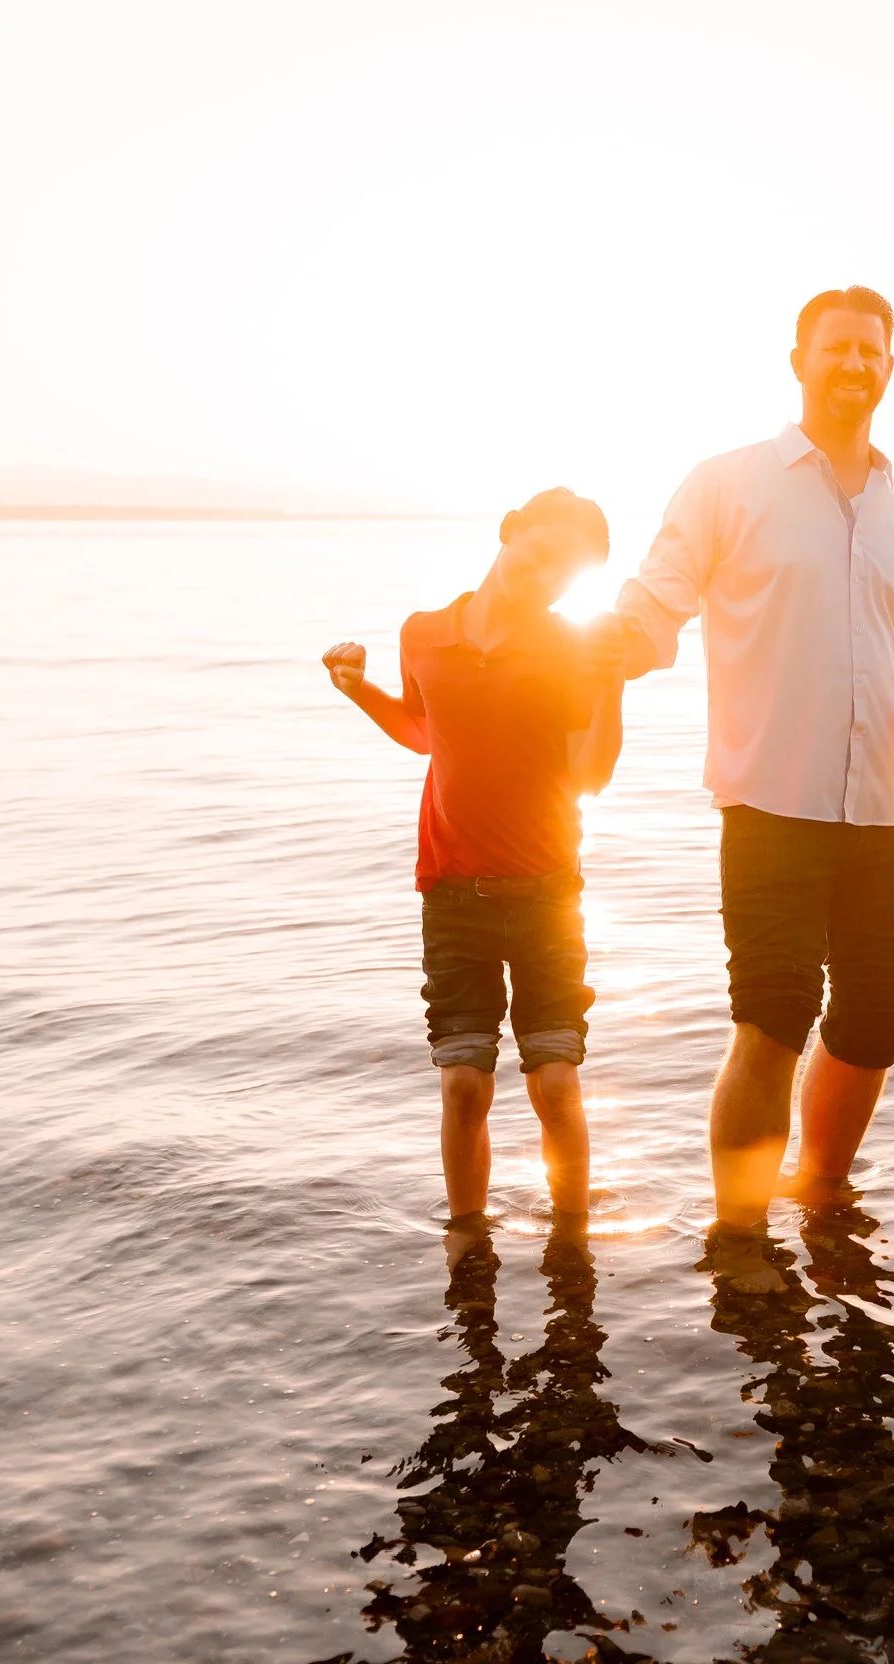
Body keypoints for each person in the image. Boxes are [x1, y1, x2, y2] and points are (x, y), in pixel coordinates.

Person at [603, 286, 894, 1230]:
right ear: (799, 362)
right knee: (771, 1024)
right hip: (771, 809)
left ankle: (821, 1200)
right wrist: (605, 648)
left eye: (871, 351)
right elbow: (655, 605)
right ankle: (739, 1240)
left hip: (891, 822)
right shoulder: (728, 485)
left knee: (872, 1026)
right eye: (837, 347)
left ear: (889, 369)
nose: (855, 364)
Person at [321, 488, 623, 1223]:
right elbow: (425, 732)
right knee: (463, 1087)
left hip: (548, 895)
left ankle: (572, 1245)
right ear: (509, 530)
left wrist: (610, 680)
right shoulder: (423, 633)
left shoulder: (572, 648)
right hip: (453, 895)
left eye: (566, 575)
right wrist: (358, 689)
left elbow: (591, 774)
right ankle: (466, 1243)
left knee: (555, 1085)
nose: (547, 579)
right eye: (541, 556)